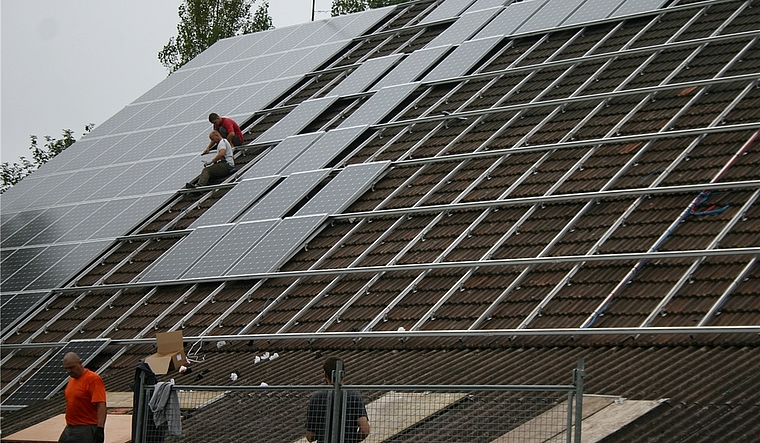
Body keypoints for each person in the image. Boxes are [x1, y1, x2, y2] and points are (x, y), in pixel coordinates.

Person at [305, 357, 370, 443]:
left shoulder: (316, 398)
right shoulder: (354, 396)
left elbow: (310, 436)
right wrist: (353, 440)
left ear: (325, 375)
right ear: (343, 373)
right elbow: (365, 430)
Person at [58, 352, 107, 443]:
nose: (69, 371)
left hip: (86, 427)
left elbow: (101, 405)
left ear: (80, 363)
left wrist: (100, 429)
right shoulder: (72, 380)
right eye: (66, 368)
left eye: (71, 367)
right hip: (70, 427)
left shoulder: (93, 379)